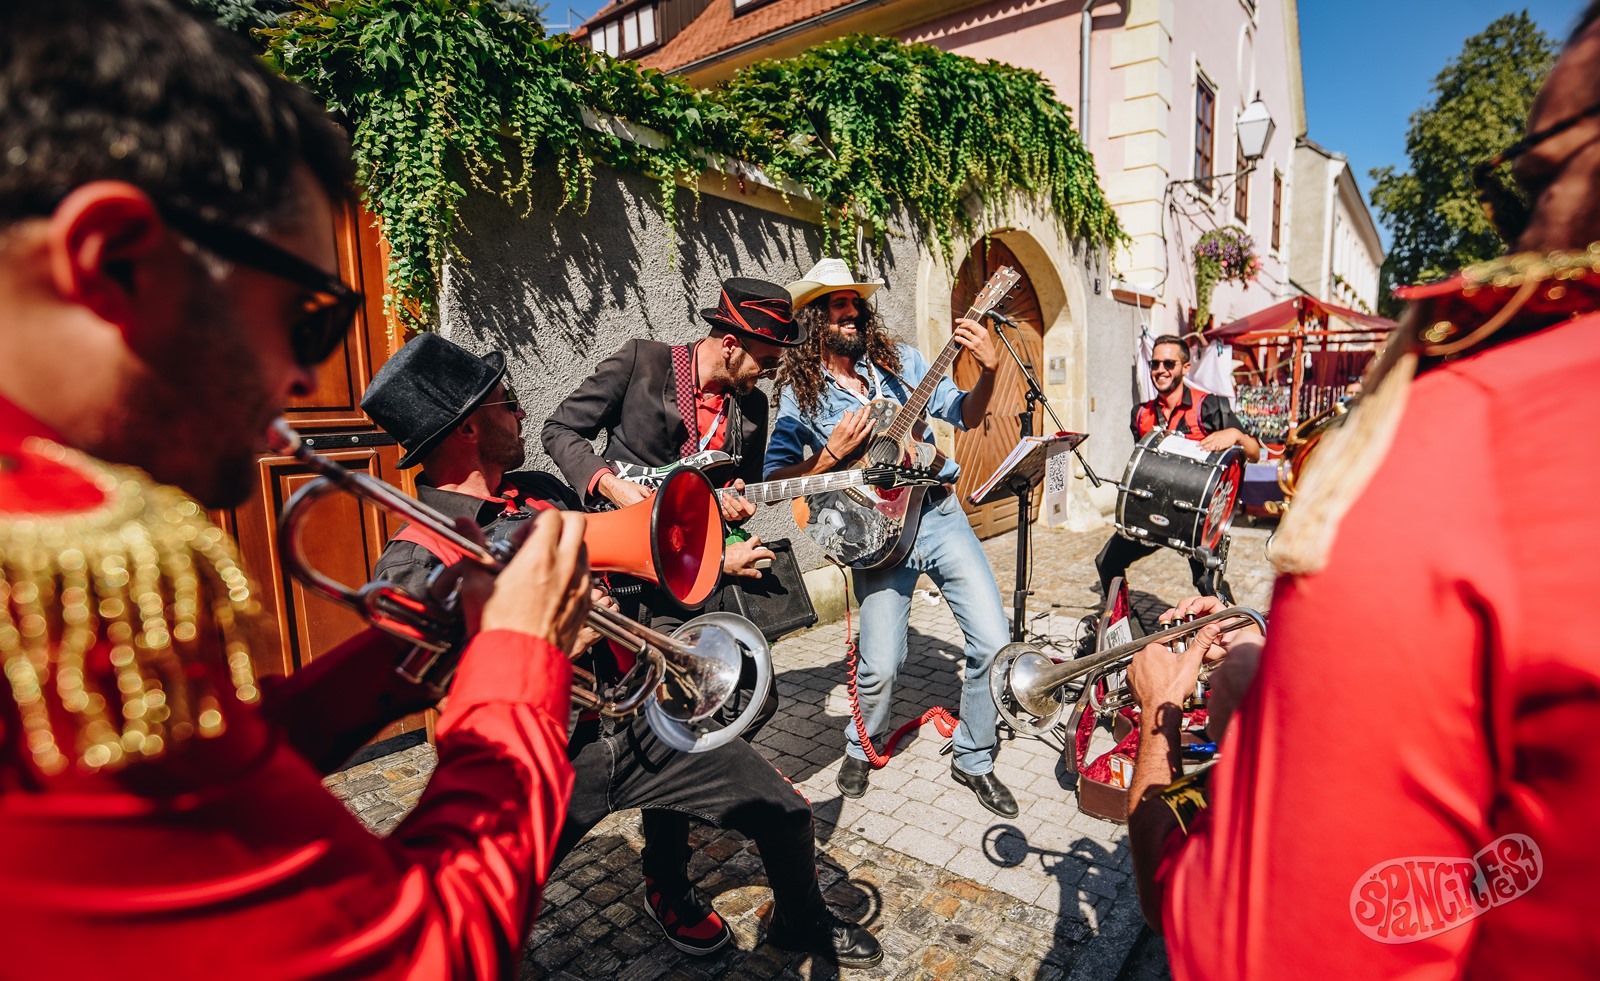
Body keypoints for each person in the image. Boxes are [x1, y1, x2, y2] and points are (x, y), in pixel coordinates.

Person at [0, 2, 591, 977]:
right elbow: (420, 956)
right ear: (114, 262)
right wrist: (521, 667)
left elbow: (219, 764)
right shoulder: (57, 571)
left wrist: (417, 646)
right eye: (306, 320)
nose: (310, 385)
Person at [1124, 7, 1600, 977]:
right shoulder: (1149, 405)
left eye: (1539, 181)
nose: (1518, 241)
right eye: (1165, 360)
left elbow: (1244, 953)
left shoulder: (1466, 437)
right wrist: (1280, 666)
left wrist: (1156, 740)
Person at [369, 334, 883, 969]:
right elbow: (425, 678)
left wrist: (704, 559)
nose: (523, 413)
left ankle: (791, 921)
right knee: (469, 912)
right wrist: (543, 644)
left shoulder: (540, 492)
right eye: (508, 403)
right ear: (470, 427)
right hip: (551, 759)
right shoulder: (416, 555)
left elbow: (635, 556)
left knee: (784, 813)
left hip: (641, 718)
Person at [764, 257, 1019, 818]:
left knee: (994, 641)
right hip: (875, 535)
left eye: (857, 302)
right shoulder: (800, 400)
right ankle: (863, 742)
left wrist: (992, 370)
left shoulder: (902, 363)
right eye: (839, 304)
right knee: (880, 664)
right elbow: (775, 480)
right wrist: (829, 454)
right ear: (814, 321)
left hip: (939, 514)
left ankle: (974, 757)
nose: (853, 311)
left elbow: (966, 414)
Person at [1095, 334, 1261, 603]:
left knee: (1208, 584)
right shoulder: (1140, 413)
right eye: (1155, 364)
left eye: (1169, 364)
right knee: (1107, 563)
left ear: (1185, 368)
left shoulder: (1210, 406)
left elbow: (1253, 453)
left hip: (1195, 520)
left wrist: (1235, 435)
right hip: (1152, 510)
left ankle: (1232, 633)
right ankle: (1123, 626)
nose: (1160, 370)